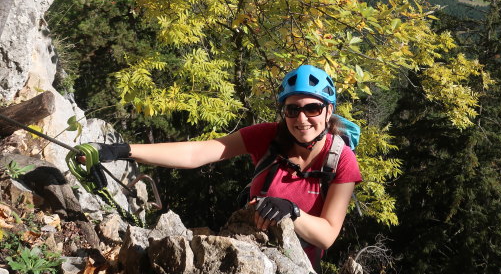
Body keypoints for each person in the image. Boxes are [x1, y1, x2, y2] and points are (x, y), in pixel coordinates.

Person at [94, 64, 362, 269]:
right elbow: (198, 152)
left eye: (312, 108)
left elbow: (327, 235)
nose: (301, 119)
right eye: (292, 110)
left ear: (329, 111)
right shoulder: (269, 137)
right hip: (244, 254)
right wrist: (123, 151)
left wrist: (293, 212)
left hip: (296, 265)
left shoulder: (341, 160)